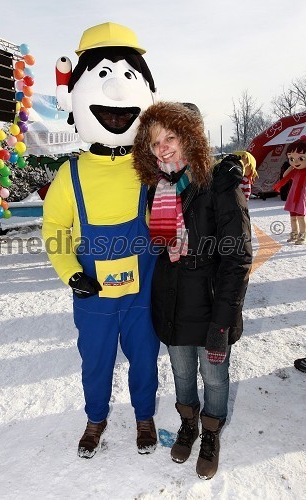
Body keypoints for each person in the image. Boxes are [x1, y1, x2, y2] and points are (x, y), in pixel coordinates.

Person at [42, 22, 160, 459]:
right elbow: (53, 229)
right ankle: (95, 418)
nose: (114, 96)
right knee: (95, 360)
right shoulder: (70, 174)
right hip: (93, 291)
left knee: (145, 356)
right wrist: (72, 273)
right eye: (103, 75)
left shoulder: (151, 167)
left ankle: (144, 416)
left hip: (141, 288)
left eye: (128, 76)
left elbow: (180, 205)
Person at [132, 101, 252, 480]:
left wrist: (224, 320)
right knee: (182, 374)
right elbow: (161, 251)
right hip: (172, 301)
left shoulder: (220, 181)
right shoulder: (158, 186)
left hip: (211, 303)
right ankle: (188, 424)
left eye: (170, 137)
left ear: (190, 137)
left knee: (214, 377)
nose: (163, 148)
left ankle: (211, 433)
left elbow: (237, 259)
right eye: (154, 143)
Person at [273, 136, 306, 245]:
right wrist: (291, 166)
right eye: (291, 159)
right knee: (293, 217)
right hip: (293, 196)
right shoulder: (295, 171)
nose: (295, 161)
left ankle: (303, 235)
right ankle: (294, 233)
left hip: (302, 196)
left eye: (300, 158)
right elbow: (285, 175)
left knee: (301, 216)